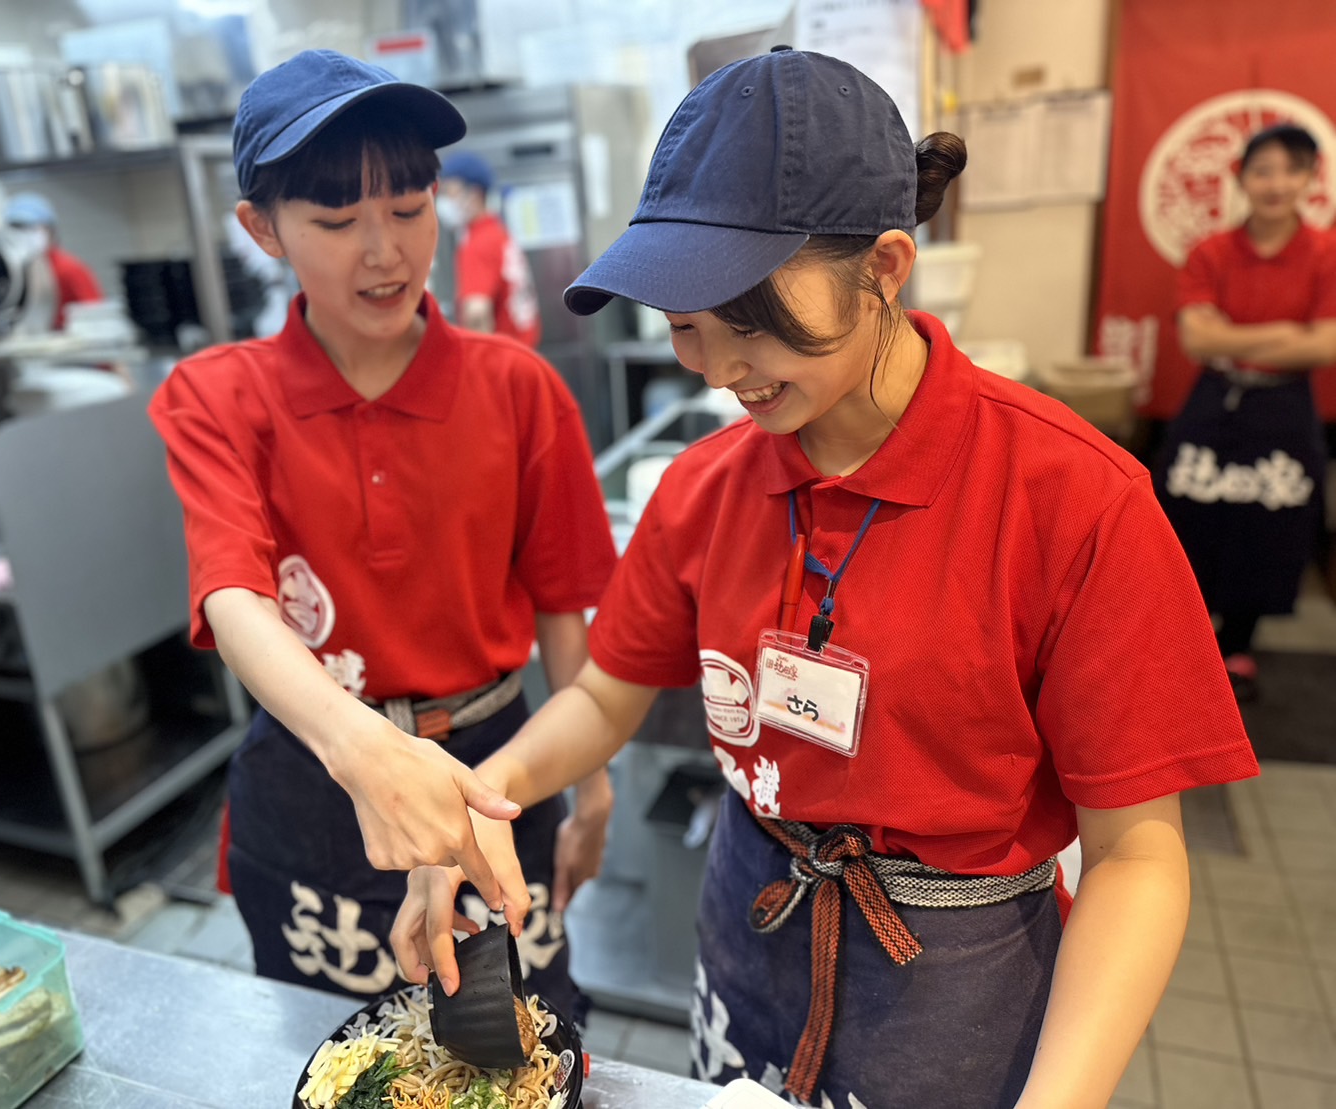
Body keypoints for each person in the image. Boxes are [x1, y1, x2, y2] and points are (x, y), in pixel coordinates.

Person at [389, 48, 1260, 1107]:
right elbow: (611, 690)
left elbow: (1135, 856)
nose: (716, 365)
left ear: (886, 267)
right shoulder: (706, 488)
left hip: (953, 975)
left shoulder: (1076, 500)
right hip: (753, 919)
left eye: (747, 319)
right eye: (684, 324)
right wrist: (494, 792)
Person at [147, 50, 617, 1017]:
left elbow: (565, 603)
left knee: (523, 1035)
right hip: (315, 774)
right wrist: (363, 753)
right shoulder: (217, 396)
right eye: (335, 220)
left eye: (408, 210)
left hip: (497, 763)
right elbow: (232, 596)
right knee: (336, 1047)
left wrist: (592, 783)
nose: (384, 251)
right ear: (262, 229)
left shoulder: (518, 389)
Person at [1153, 123, 1336, 703]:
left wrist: (1235, 335)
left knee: (1273, 521)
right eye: (1263, 170)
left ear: (1310, 178)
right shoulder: (1211, 252)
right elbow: (1197, 340)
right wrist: (1286, 331)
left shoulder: (1326, 253)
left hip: (1286, 403)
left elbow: (1328, 345)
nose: (1276, 183)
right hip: (1215, 397)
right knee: (1186, 508)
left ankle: (1240, 645)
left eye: (1290, 169)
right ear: (1242, 178)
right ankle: (1187, 633)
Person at [436, 150, 542, 347]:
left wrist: (478, 366)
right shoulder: (497, 232)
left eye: (449, 193)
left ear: (474, 194)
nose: (443, 203)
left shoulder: (478, 244)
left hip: (502, 363)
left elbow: (476, 313)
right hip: (522, 352)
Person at [2, 192, 104, 331]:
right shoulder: (13, 273)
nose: (24, 235)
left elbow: (97, 314)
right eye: (18, 230)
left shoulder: (69, 268)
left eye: (31, 229)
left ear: (50, 231)